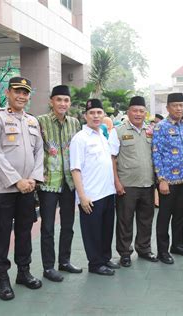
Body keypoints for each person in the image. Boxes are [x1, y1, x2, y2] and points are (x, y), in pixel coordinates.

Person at [0, 77, 44, 301]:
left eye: (25, 93)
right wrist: (16, 180)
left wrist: (34, 179)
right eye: (17, 91)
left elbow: (40, 152)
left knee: (25, 232)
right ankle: (2, 278)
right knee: (1, 235)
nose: (22, 96)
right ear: (8, 92)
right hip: (3, 190)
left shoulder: (32, 121)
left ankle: (23, 272)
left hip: (27, 189)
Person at [37, 85, 82, 283]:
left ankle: (64, 261)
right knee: (47, 227)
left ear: (69, 103)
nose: (62, 103)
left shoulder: (75, 123)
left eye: (66, 100)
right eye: (58, 100)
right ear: (51, 101)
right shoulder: (40, 122)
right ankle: (48, 267)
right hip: (49, 182)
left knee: (68, 225)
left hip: (69, 182)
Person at [70, 99, 119, 276]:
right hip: (91, 196)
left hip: (107, 192)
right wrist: (82, 196)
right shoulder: (79, 139)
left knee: (106, 230)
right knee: (93, 233)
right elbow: (75, 169)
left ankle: (105, 258)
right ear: (85, 116)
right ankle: (95, 264)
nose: (96, 116)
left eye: (99, 112)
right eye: (92, 113)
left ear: (103, 115)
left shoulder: (102, 136)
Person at [109, 96, 159, 267]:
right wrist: (116, 182)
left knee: (146, 219)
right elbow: (112, 159)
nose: (138, 114)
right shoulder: (118, 131)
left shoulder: (151, 131)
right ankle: (124, 252)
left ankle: (144, 249)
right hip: (127, 185)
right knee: (125, 220)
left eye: (141, 111)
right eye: (135, 110)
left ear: (145, 113)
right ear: (128, 112)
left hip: (147, 183)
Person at [152, 92, 183, 264]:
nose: (178, 108)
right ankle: (163, 251)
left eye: (181, 105)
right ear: (168, 107)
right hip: (168, 182)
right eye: (175, 105)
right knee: (164, 217)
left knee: (180, 216)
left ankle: (177, 245)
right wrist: (161, 179)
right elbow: (156, 153)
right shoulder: (160, 127)